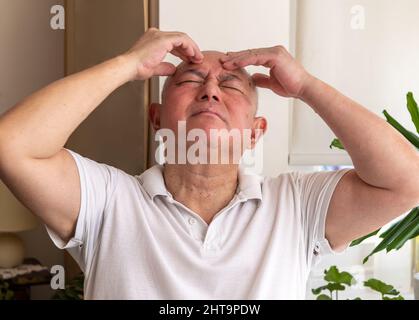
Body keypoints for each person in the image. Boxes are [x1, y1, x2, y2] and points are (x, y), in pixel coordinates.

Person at [0, 28, 417, 299]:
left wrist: (306, 86)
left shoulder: (296, 205)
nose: (211, 92)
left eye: (230, 84)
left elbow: (407, 181)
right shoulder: (107, 201)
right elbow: (11, 144)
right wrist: (128, 64)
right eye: (190, 81)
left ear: (255, 132)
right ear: (157, 119)